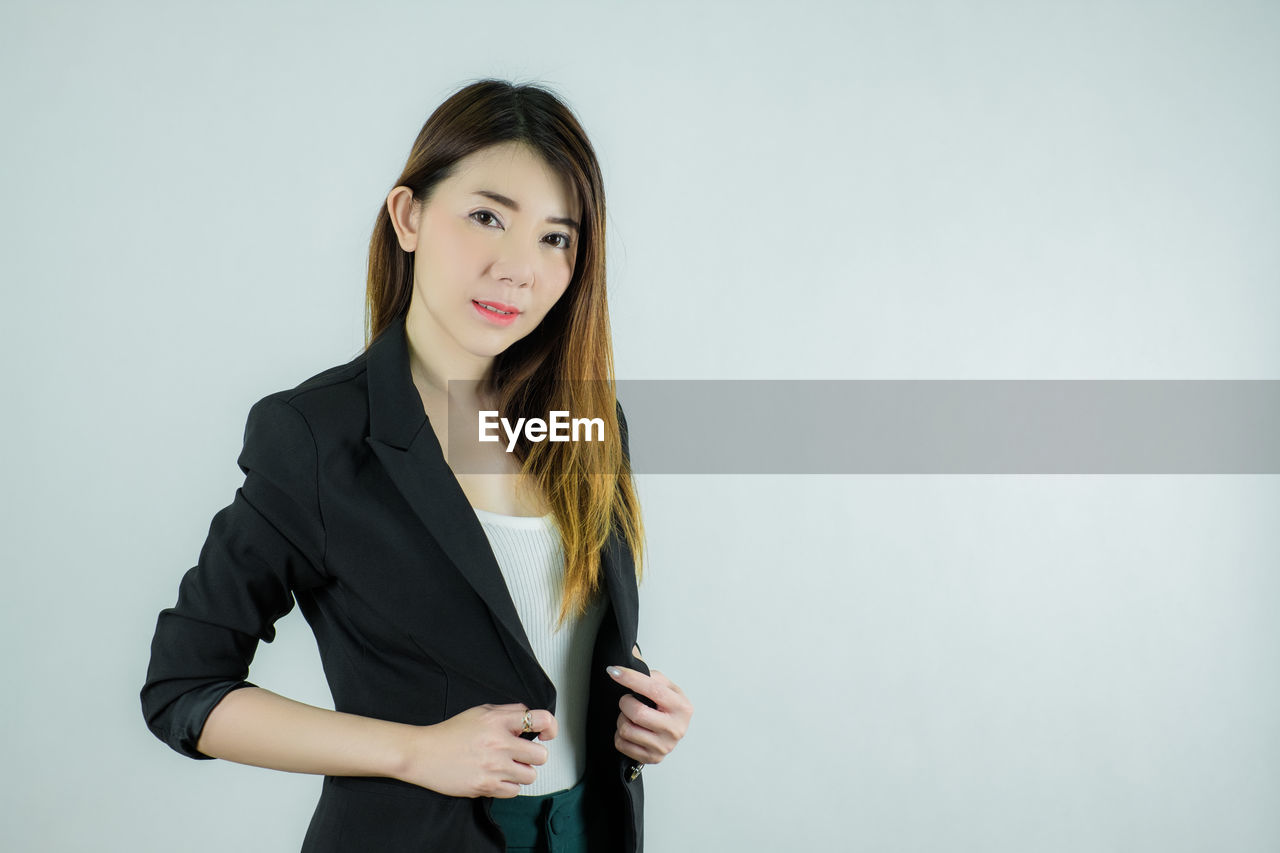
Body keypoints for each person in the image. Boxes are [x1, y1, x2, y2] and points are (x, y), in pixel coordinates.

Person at [140, 78, 693, 853]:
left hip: (583, 831)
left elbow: (537, 632)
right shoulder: (315, 434)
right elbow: (184, 689)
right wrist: (415, 749)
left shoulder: (590, 426)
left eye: (555, 237)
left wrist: (640, 708)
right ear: (409, 216)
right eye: (486, 217)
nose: (519, 267)